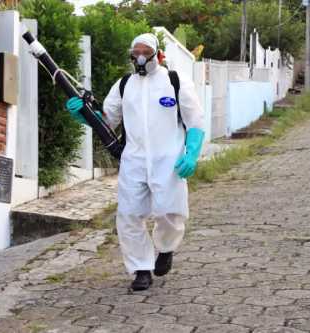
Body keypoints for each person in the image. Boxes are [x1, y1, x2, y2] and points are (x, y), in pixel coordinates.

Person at [65, 33, 205, 291]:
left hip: (168, 159)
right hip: (134, 160)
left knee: (171, 212)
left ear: (157, 54)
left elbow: (195, 120)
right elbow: (107, 119)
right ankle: (141, 269)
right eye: (135, 53)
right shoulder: (124, 85)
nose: (140, 58)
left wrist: (192, 153)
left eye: (145, 52)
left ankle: (165, 248)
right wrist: (83, 115)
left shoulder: (175, 81)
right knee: (128, 216)